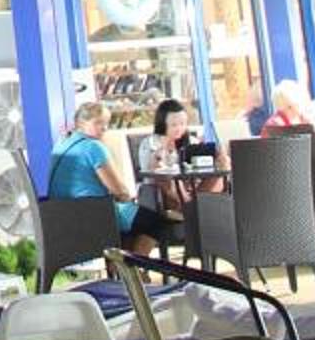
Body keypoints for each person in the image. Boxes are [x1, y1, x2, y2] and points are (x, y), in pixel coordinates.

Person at [46, 99, 164, 256]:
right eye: (98, 123)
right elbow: (118, 190)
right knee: (154, 222)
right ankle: (132, 268)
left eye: (106, 123)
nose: (105, 128)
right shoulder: (93, 147)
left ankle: (121, 266)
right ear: (81, 123)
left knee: (133, 218)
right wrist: (129, 197)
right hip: (94, 214)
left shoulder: (62, 144)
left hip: (63, 215)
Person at [139, 96, 225, 220]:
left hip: (192, 189)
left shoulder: (191, 141)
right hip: (162, 193)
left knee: (221, 172)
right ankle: (192, 210)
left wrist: (218, 156)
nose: (179, 128)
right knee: (171, 179)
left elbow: (202, 165)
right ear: (162, 124)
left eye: (183, 124)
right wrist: (161, 152)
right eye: (174, 125)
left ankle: (194, 209)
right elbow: (152, 172)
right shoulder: (149, 143)